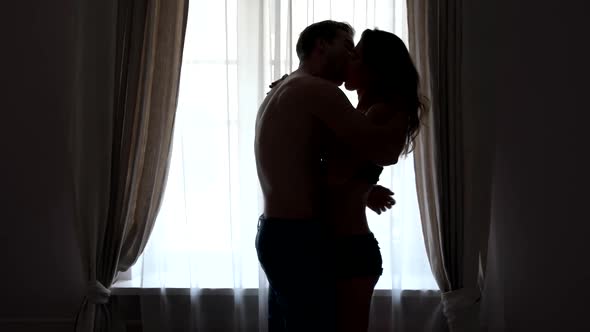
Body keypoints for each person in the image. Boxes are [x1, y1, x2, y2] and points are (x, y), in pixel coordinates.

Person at [254, 21, 404, 331]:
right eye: (347, 47)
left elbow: (312, 165)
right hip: (297, 238)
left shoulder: (287, 87)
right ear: (322, 45)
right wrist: (405, 107)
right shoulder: (317, 90)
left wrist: (363, 190)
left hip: (277, 232)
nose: (351, 57)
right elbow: (381, 149)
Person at [324, 28, 426, 332]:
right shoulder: (364, 110)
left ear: (374, 70)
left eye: (355, 56)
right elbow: (349, 173)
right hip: (341, 246)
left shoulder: (379, 113)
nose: (347, 61)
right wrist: (365, 189)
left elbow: (337, 172)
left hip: (349, 250)